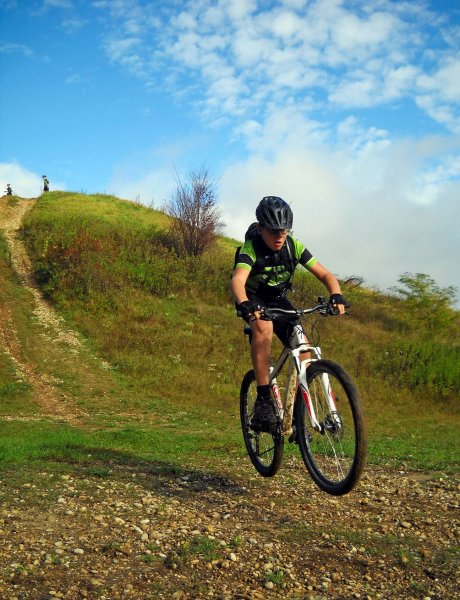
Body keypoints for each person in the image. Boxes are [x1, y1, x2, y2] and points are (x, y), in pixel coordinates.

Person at [230, 196, 347, 432]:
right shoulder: (250, 249)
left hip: (279, 300)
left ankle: (301, 412)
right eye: (273, 231)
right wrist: (244, 303)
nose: (280, 236)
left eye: (284, 230)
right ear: (261, 228)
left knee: (304, 350)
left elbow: (326, 275)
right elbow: (238, 280)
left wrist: (336, 294)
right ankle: (264, 401)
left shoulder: (294, 246)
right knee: (264, 328)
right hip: (254, 300)